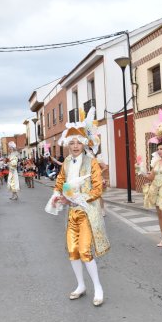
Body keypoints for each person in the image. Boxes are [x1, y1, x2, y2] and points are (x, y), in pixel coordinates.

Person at [49, 122, 110, 306]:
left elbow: (98, 189)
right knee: (72, 250)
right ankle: (81, 285)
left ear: (84, 144)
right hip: (72, 212)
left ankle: (98, 287)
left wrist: (76, 199)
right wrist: (56, 195)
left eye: (78, 143)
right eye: (72, 143)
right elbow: (60, 182)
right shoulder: (66, 162)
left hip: (87, 212)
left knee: (84, 250)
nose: (75, 146)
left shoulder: (91, 162)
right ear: (68, 144)